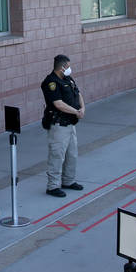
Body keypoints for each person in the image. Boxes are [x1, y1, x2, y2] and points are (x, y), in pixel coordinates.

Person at [41, 54, 84, 197]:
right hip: (59, 125)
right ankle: (52, 186)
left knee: (72, 155)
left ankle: (68, 181)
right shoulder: (51, 83)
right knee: (57, 155)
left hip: (71, 124)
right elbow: (58, 104)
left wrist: (82, 108)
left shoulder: (68, 79)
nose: (70, 69)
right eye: (68, 66)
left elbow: (78, 93)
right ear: (62, 67)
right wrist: (76, 112)